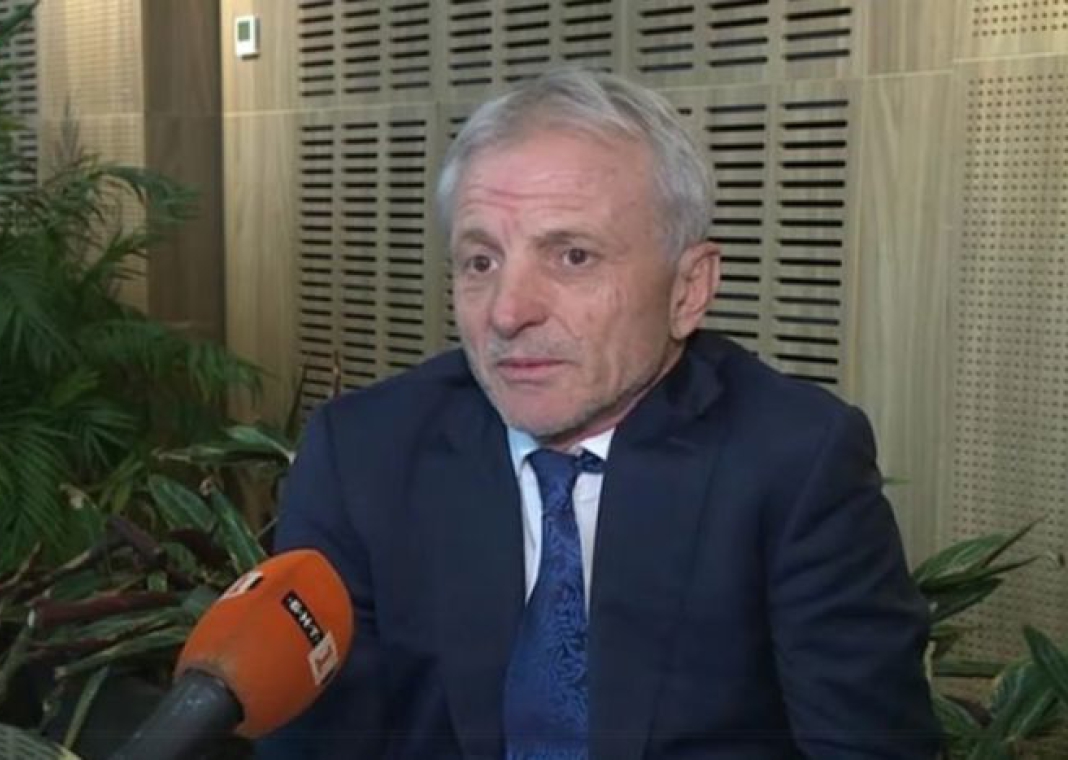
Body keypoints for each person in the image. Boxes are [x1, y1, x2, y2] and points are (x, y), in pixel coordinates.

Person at [257, 68, 940, 759]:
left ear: (688, 290)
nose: (508, 312)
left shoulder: (794, 462)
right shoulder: (363, 454)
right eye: (480, 262)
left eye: (572, 256)